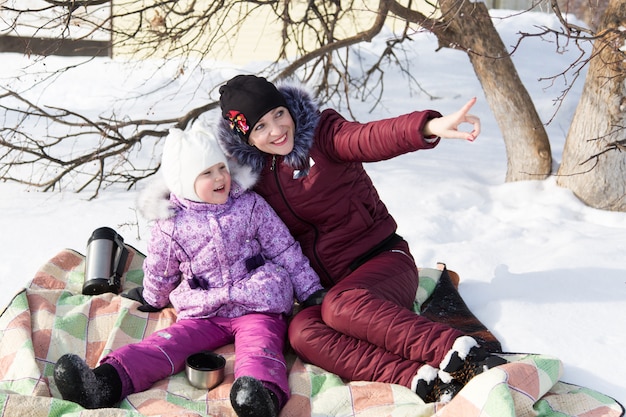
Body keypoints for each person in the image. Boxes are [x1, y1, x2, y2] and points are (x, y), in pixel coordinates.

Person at [140, 75, 506, 403]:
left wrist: (427, 126)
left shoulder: (325, 135)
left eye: (279, 114)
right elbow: (199, 186)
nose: (277, 130)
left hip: (382, 261)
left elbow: (371, 137)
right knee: (301, 332)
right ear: (245, 137)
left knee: (338, 306)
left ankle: (457, 352)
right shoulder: (252, 178)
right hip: (325, 288)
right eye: (260, 127)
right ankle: (417, 379)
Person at [53, 122, 325, 417]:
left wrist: (310, 289)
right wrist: (153, 297)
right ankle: (105, 382)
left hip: (257, 302)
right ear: (184, 182)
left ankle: (260, 397)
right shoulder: (170, 224)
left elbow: (284, 248)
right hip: (204, 310)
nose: (220, 177)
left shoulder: (249, 205)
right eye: (206, 173)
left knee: (261, 348)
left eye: (221, 167)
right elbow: (160, 270)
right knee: (165, 345)